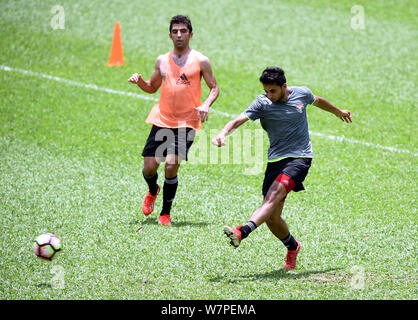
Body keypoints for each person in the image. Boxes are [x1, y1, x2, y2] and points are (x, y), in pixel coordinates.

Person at [212, 66, 352, 270]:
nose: (269, 95)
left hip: (300, 157)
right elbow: (238, 120)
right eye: (266, 90)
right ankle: (293, 246)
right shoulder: (263, 103)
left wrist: (338, 112)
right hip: (275, 160)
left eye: (273, 91)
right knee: (272, 218)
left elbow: (318, 100)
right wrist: (223, 133)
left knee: (273, 196)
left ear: (284, 86)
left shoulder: (301, 93)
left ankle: (242, 232)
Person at [128, 15, 219, 226]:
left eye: (183, 31)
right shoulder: (162, 60)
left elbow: (214, 87)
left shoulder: (201, 61)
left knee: (170, 166)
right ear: (170, 35)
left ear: (191, 34)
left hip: (186, 122)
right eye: (175, 31)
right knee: (150, 168)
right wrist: (140, 81)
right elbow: (152, 87)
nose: (179, 35)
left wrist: (205, 105)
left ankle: (165, 213)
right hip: (161, 120)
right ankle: (153, 190)